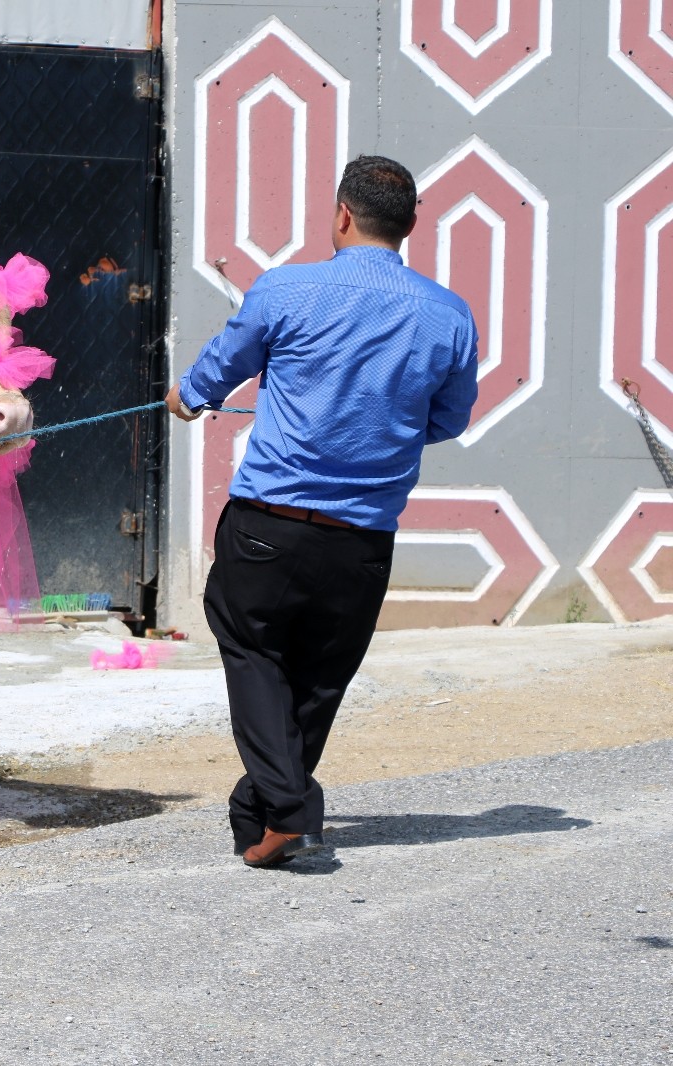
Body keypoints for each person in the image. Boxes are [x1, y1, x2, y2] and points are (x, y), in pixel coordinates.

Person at [166, 155, 479, 868]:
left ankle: (286, 811)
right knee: (318, 678)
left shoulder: (286, 289)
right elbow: (450, 419)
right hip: (364, 539)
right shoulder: (448, 314)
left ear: (342, 214)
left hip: (270, 524)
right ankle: (266, 812)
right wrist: (386, 418)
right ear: (411, 225)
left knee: (251, 649)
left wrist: (187, 397)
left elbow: (217, 371)